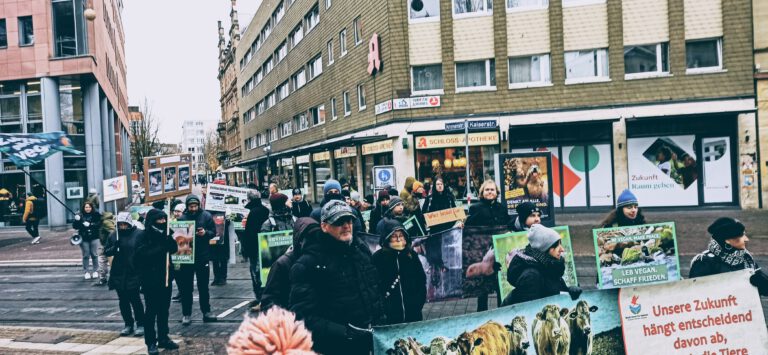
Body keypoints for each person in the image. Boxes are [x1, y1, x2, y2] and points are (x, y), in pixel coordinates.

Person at [289, 200, 385, 354]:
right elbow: (302, 317)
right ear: (324, 226)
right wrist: (346, 333)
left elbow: (374, 290)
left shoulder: (361, 250)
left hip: (370, 343)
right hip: (336, 348)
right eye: (339, 221)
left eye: (349, 220)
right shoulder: (308, 264)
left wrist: (380, 321)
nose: (346, 225)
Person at [134, 209, 179, 354]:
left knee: (164, 310)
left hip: (165, 278)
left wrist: (168, 241)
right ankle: (151, 342)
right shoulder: (143, 235)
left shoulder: (166, 233)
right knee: (151, 312)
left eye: (164, 219)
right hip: (150, 280)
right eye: (159, 220)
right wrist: (161, 246)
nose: (163, 222)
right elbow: (142, 254)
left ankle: (163, 337)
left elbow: (174, 248)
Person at [503, 224, 582, 306]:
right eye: (556, 245)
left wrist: (569, 291)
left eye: (560, 244)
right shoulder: (531, 276)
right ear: (545, 248)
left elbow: (551, 291)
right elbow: (530, 311)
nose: (562, 249)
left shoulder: (548, 265)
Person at [689, 217, 768, 295]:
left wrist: (762, 283)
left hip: (747, 307)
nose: (746, 239)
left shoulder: (747, 259)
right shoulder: (705, 261)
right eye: (742, 236)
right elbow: (694, 294)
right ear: (728, 241)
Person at [465, 180, 511, 311]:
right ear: (482, 192)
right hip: (483, 251)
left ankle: (501, 310)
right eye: (487, 190)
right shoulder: (475, 208)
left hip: (499, 250)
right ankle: (482, 313)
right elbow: (469, 228)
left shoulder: (501, 208)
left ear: (497, 192)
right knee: (483, 286)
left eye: (492, 190)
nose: (490, 192)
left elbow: (508, 223)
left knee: (500, 284)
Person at [373, 219, 426, 324]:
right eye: (394, 236)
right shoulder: (378, 258)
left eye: (401, 235)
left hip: (413, 315)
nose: (398, 239)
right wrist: (383, 308)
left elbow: (421, 280)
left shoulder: (411, 255)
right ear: (387, 238)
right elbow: (374, 286)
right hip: (390, 317)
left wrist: (418, 303)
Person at [261, 217, 317, 312]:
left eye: (316, 237)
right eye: (308, 238)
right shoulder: (283, 264)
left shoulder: (320, 260)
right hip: (290, 320)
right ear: (299, 240)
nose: (313, 242)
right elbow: (269, 300)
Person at [177, 195, 217, 325]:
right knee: (186, 287)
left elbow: (213, 232)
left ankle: (206, 311)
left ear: (198, 205)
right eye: (191, 206)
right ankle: (186, 314)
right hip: (187, 257)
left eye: (195, 206)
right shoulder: (182, 218)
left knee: (203, 286)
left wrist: (205, 233)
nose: (193, 208)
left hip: (202, 256)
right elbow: (177, 237)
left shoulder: (206, 216)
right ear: (187, 206)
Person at [104, 213, 145, 337]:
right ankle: (128, 323)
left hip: (134, 271)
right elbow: (106, 251)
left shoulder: (138, 234)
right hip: (119, 272)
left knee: (135, 299)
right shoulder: (114, 235)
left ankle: (141, 323)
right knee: (123, 300)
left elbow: (144, 250)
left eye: (124, 224)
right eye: (120, 224)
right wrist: (114, 248)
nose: (122, 227)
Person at [242, 191, 270, 309]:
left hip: (254, 248)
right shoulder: (265, 210)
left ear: (249, 199)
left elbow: (250, 234)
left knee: (256, 274)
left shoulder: (253, 213)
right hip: (265, 246)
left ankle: (260, 300)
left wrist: (245, 250)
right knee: (264, 273)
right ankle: (261, 298)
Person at [73, 201, 102, 280]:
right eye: (86, 207)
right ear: (84, 208)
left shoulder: (96, 214)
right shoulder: (80, 215)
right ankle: (86, 272)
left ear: (92, 207)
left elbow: (99, 224)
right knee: (86, 255)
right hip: (84, 237)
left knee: (94, 254)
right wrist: (77, 220)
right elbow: (75, 227)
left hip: (94, 237)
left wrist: (91, 224)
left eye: (89, 207)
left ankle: (96, 271)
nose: (88, 209)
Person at [93, 210, 116, 286]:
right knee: (103, 262)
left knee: (103, 261)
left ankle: (104, 279)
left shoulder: (105, 222)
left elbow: (113, 231)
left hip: (106, 245)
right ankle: (104, 278)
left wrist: (109, 242)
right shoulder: (107, 220)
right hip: (105, 245)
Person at [210, 213, 230, 286]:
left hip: (223, 240)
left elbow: (229, 223)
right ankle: (216, 278)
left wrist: (228, 219)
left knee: (223, 259)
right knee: (215, 260)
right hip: (213, 239)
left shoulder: (226, 213)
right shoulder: (209, 213)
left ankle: (222, 278)